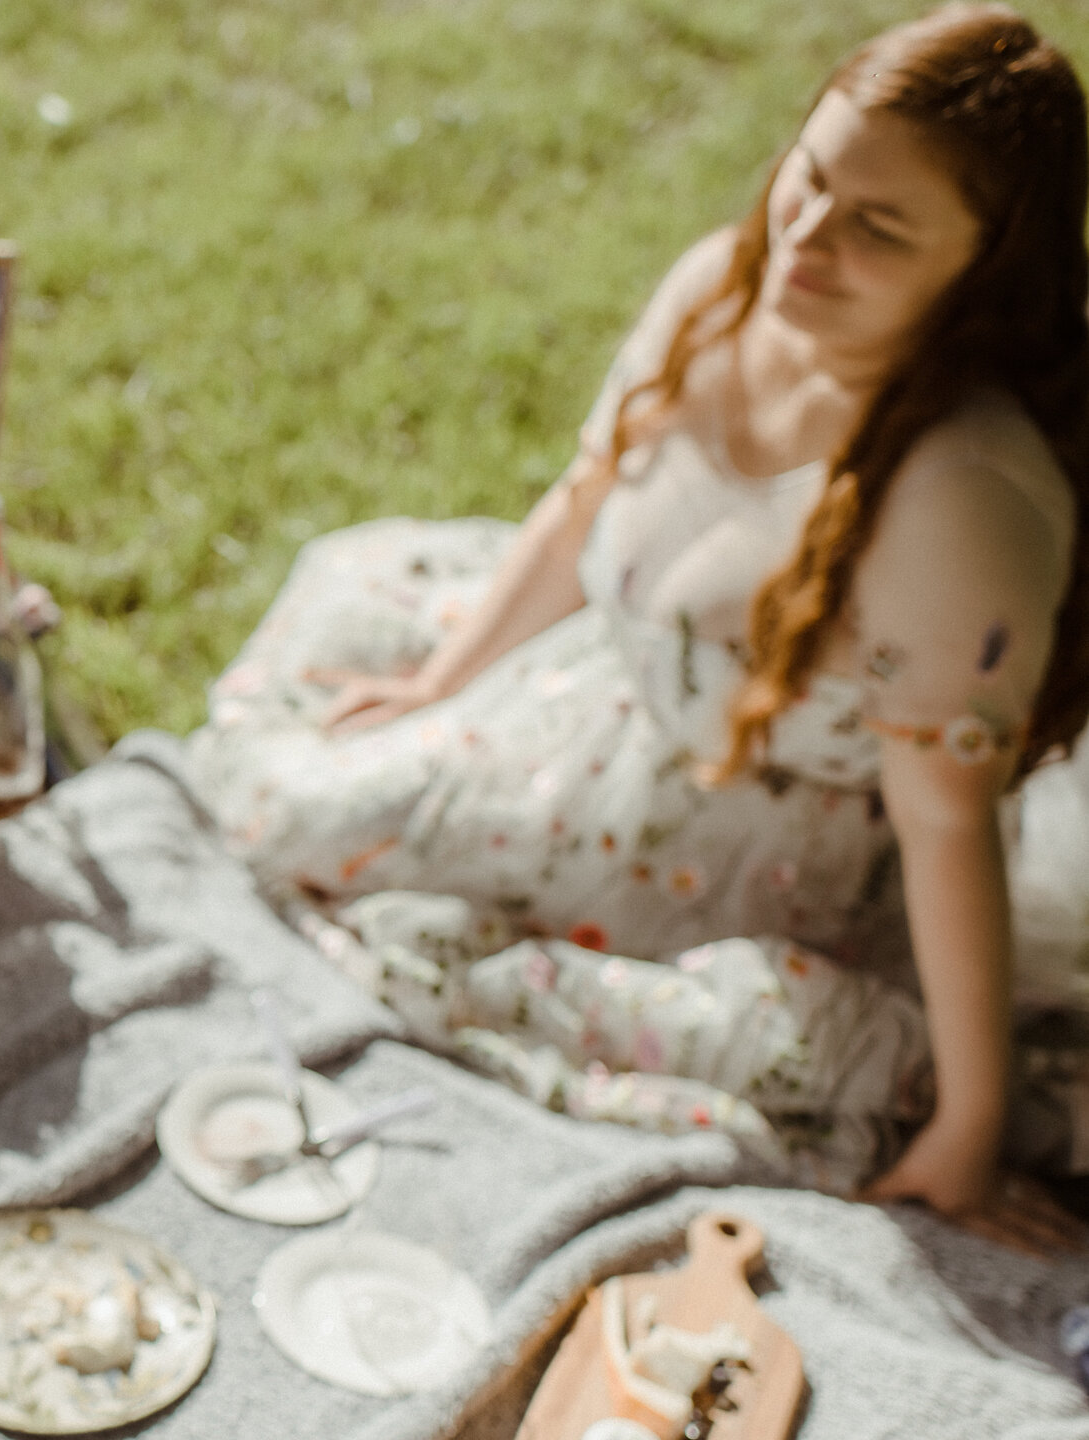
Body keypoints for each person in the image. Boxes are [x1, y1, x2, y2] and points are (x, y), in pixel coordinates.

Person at [185, 3, 1088, 1254]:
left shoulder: (955, 498)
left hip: (748, 830)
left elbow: (944, 826)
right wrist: (445, 682)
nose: (808, 239)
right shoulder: (730, 283)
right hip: (602, 686)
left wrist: (970, 1131)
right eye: (810, 177)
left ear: (984, 271)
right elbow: (582, 503)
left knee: (303, 830)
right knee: (318, 718)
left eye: (879, 228)